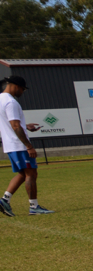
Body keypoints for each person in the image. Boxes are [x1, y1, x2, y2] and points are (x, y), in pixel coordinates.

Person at [0, 76, 53, 216]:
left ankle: (4, 200)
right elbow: (15, 126)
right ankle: (34, 207)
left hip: (9, 144)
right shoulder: (11, 102)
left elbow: (11, 123)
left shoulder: (0, 99)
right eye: (23, 89)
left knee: (23, 173)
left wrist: (26, 126)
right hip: (19, 145)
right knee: (31, 173)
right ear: (16, 86)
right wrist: (29, 146)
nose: (23, 92)